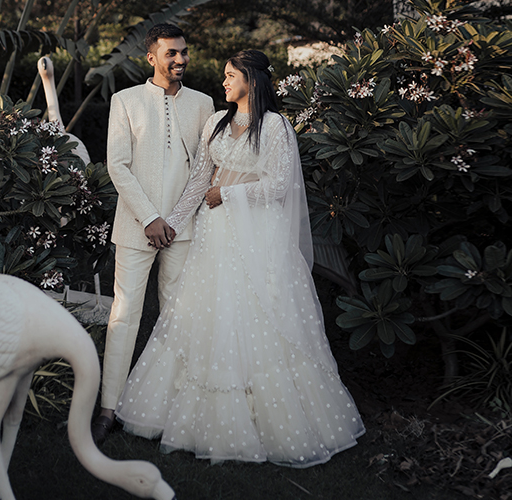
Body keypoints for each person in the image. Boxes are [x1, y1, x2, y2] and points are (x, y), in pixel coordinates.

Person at [114, 49, 365, 467]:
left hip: (257, 236)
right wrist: (173, 222)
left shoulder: (275, 126)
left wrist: (226, 193)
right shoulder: (215, 122)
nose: (225, 82)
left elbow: (279, 186)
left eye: (231, 76)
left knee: (257, 315)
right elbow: (199, 183)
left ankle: (269, 420)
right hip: (214, 236)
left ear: (251, 78)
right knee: (208, 314)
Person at [91, 23, 214, 443]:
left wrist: (174, 219)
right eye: (171, 53)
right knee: (124, 316)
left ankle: (171, 405)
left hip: (183, 228)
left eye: (184, 52)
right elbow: (117, 165)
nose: (180, 60)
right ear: (151, 57)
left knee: (177, 317)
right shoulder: (125, 101)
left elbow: (203, 167)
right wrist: (149, 217)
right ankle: (108, 407)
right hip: (136, 226)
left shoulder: (203, 103)